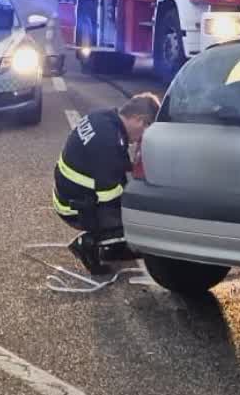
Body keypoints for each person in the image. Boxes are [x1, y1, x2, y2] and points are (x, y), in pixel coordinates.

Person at [52, 92, 160, 276]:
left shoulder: (104, 118)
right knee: (140, 226)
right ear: (139, 120)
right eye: (147, 131)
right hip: (75, 209)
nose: (141, 139)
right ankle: (88, 244)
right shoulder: (107, 142)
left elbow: (119, 165)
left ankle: (112, 246)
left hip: (68, 194)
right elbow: (109, 195)